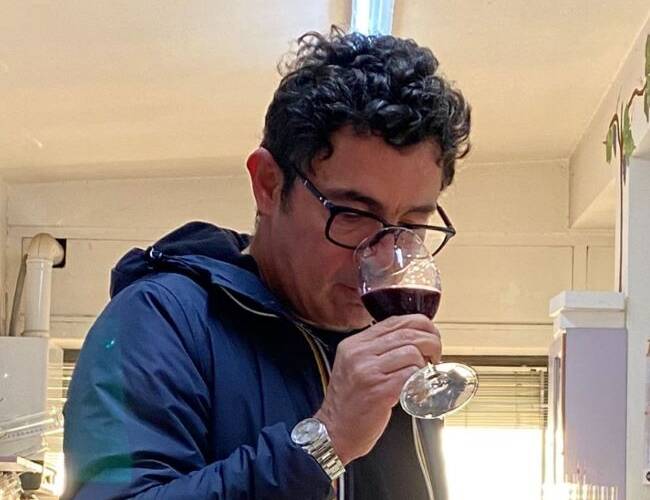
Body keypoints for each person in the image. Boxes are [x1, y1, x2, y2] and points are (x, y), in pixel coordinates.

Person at [63, 26, 470, 499]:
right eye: (353, 215)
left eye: (412, 223)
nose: (383, 254)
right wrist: (325, 441)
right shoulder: (160, 319)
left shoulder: (384, 348)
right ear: (269, 185)